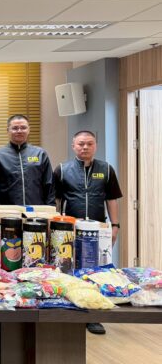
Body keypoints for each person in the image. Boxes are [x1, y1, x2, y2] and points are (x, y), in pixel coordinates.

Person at [53, 130, 123, 336]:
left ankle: (93, 316)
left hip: (98, 231)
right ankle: (69, 312)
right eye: (81, 144)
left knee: (96, 273)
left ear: (96, 146)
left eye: (89, 144)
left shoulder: (106, 170)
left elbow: (111, 199)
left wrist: (115, 226)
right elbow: (57, 201)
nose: (85, 147)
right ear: (73, 146)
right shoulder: (62, 170)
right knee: (68, 270)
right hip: (70, 230)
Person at [0, 114, 55, 206]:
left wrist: (51, 207)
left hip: (36, 210)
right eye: (15, 128)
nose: (19, 131)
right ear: (8, 130)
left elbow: (49, 184)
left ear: (29, 130)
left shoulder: (40, 154)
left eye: (23, 128)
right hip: (8, 211)